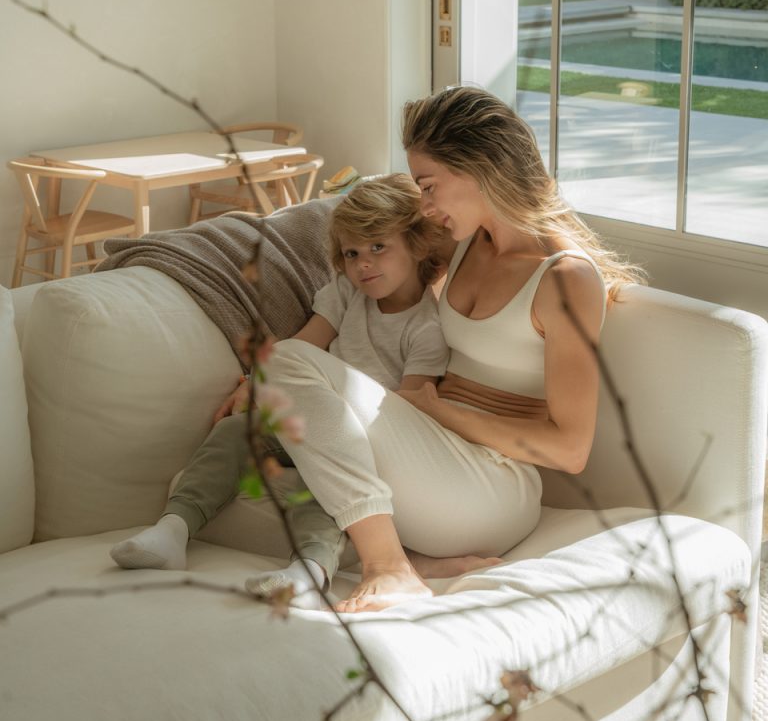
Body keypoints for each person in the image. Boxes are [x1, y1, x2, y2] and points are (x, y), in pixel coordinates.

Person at [260, 85, 646, 613]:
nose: (425, 205)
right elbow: (374, 252)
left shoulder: (566, 278)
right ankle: (414, 560)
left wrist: (439, 410)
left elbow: (569, 450)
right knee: (259, 466)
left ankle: (389, 567)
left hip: (493, 487)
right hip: (433, 455)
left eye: (429, 185)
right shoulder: (463, 243)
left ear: (480, 169)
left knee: (285, 363)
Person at [110, 174, 465, 605]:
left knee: (326, 485)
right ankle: (172, 530)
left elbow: (410, 409)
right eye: (352, 253)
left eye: (378, 247)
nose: (363, 264)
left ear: (416, 245)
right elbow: (301, 345)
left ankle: (310, 572)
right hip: (309, 418)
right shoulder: (347, 292)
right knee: (234, 432)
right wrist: (256, 382)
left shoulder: (427, 328)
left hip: (365, 443)